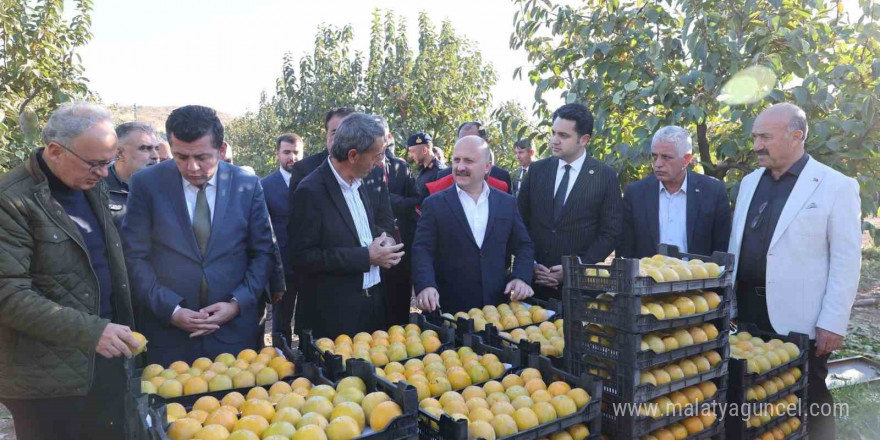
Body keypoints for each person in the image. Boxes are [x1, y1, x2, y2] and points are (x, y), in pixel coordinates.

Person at [0, 102, 137, 440]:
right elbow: (8, 295)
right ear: (55, 151)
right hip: (46, 379)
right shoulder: (12, 201)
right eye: (95, 163)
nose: (105, 173)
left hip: (105, 356)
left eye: (110, 162)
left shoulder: (92, 185)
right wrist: (91, 331)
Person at [729, 103, 861, 439]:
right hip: (747, 309)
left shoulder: (835, 185)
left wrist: (833, 321)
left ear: (796, 136)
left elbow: (846, 260)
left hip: (800, 316)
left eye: (765, 137)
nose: (756, 144)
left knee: (809, 395)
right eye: (755, 136)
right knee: (753, 395)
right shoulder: (748, 182)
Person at [122, 105, 276, 365]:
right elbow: (134, 257)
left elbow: (263, 252)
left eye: (202, 157)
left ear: (222, 149)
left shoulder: (247, 186)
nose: (191, 167)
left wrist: (237, 304)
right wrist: (171, 310)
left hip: (233, 333)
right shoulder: (147, 184)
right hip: (169, 335)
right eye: (180, 156)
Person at [289, 113, 405, 338]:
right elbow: (302, 258)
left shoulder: (360, 180)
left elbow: (365, 230)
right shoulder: (311, 191)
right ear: (353, 155)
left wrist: (385, 241)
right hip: (334, 317)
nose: (381, 161)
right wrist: (366, 257)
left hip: (372, 306)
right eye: (377, 155)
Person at [412, 136, 534, 314]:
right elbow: (422, 249)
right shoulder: (434, 204)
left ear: (487, 167)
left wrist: (521, 278)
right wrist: (425, 285)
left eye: (468, 161)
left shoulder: (506, 203)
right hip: (447, 310)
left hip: (496, 311)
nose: (460, 167)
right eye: (456, 160)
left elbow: (524, 245)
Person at [517, 103, 622, 299]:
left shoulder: (604, 176)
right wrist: (529, 264)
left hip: (579, 292)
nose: (554, 141)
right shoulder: (538, 171)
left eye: (563, 136)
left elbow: (610, 233)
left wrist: (575, 268)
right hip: (533, 287)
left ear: (584, 139)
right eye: (554, 133)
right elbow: (519, 222)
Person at [618, 126, 731, 258]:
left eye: (666, 157)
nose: (658, 164)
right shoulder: (636, 193)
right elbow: (625, 250)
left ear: (686, 159)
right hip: (646, 277)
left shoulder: (712, 192)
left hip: (698, 277)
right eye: (655, 156)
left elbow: (722, 249)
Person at [378, 119, 420, 325]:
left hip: (402, 242)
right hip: (375, 245)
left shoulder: (400, 167)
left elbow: (416, 199)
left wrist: (394, 200)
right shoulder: (361, 168)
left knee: (401, 294)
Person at [263, 133, 304, 342]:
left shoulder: (313, 181)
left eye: (296, 152)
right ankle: (282, 361)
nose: (292, 157)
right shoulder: (265, 186)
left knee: (309, 319)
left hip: (310, 264)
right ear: (277, 154)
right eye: (287, 152)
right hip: (282, 267)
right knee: (281, 321)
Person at [105, 121, 160, 227]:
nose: (155, 156)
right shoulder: (97, 188)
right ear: (120, 153)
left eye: (156, 148)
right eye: (144, 148)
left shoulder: (168, 185)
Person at [450, 121, 513, 191]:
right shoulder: (441, 179)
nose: (466, 144)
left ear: (485, 142)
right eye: (462, 140)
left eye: (472, 140)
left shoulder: (501, 178)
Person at [407, 131, 445, 201]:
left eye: (412, 151)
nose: (411, 155)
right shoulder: (422, 169)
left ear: (424, 150)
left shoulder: (440, 172)